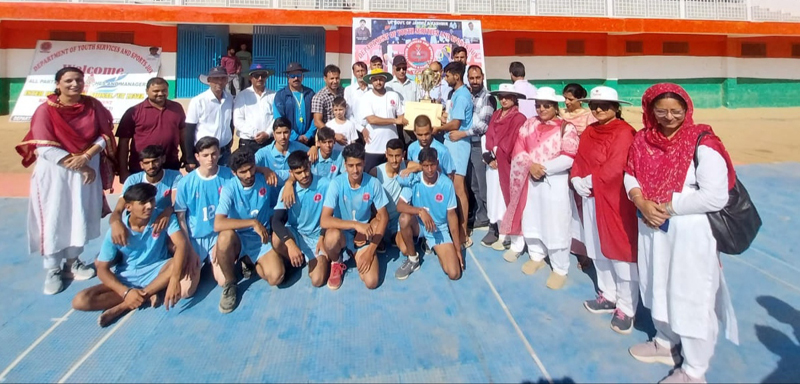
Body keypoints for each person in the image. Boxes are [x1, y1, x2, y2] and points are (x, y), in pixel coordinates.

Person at [625, 83, 738, 384]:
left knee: (690, 295)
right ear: (650, 110)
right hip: (652, 228)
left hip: (689, 234)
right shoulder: (642, 140)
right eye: (660, 111)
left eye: (676, 111)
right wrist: (639, 199)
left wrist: (668, 205)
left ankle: (694, 371)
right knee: (656, 285)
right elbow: (630, 174)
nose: (668, 117)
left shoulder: (703, 142)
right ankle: (664, 341)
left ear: (687, 110)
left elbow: (716, 197)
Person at [16, 66, 116, 295]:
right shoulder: (45, 111)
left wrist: (87, 157)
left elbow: (105, 135)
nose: (75, 84)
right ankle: (52, 268)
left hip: (86, 169)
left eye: (79, 80)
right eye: (69, 80)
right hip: (56, 173)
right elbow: (43, 147)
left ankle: (73, 262)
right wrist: (79, 167)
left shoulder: (93, 106)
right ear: (58, 84)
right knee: (55, 216)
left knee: (79, 214)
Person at [71, 183, 197, 327]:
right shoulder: (117, 231)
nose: (149, 206)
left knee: (178, 261)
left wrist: (174, 279)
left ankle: (123, 307)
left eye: (151, 200)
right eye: (143, 203)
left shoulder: (162, 218)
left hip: (157, 271)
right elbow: (102, 269)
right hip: (127, 277)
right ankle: (147, 294)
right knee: (80, 300)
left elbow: (181, 244)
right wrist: (126, 292)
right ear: (129, 207)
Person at [570, 86, 639, 335]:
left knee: (619, 251)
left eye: (605, 105)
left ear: (616, 108)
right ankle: (607, 294)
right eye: (594, 105)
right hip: (590, 198)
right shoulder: (590, 130)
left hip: (613, 200)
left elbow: (618, 165)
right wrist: (576, 177)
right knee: (597, 247)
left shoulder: (624, 132)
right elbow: (579, 157)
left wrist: (589, 180)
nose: (598, 109)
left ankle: (627, 307)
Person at [500, 87, 579, 290]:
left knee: (556, 223)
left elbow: (569, 156)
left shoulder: (566, 128)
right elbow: (519, 148)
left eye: (546, 105)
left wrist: (543, 169)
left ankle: (560, 268)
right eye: (538, 105)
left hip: (554, 182)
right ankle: (536, 255)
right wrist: (531, 166)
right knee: (532, 218)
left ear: (555, 107)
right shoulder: (529, 124)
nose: (541, 109)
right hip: (531, 181)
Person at [213, 148, 282, 313]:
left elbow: (291, 176)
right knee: (224, 237)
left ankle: (251, 262)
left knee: (276, 277)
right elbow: (218, 223)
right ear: (234, 172)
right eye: (242, 172)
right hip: (240, 237)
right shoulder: (229, 189)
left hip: (262, 237)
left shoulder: (264, 177)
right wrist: (252, 223)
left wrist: (267, 172)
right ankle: (231, 284)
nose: (249, 174)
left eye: (251, 168)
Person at [320, 143, 390, 290]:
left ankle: (357, 252)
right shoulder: (336, 183)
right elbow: (325, 220)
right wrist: (355, 225)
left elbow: (384, 217)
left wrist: (370, 251)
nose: (355, 170)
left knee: (371, 282)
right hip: (343, 233)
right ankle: (336, 260)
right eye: (351, 165)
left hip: (363, 235)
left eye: (358, 165)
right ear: (345, 165)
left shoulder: (373, 183)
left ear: (364, 163)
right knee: (331, 237)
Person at [394, 147, 464, 281]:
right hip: (418, 225)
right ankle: (413, 260)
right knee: (404, 221)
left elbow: (452, 217)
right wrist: (420, 211)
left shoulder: (446, 184)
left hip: (438, 229)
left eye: (432, 165)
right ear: (420, 166)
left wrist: (457, 249)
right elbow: (400, 206)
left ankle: (430, 244)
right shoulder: (414, 180)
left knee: (454, 273)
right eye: (425, 165)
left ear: (437, 163)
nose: (430, 169)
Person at [174, 137, 235, 285]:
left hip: (218, 235)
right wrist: (188, 249)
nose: (210, 159)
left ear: (219, 153)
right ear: (197, 157)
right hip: (195, 239)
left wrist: (220, 242)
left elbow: (234, 211)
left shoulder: (228, 176)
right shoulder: (186, 183)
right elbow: (181, 218)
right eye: (205, 155)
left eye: (214, 154)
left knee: (224, 281)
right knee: (186, 291)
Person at [270, 151, 334, 287]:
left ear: (310, 165)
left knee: (317, 280)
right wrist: (290, 245)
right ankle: (294, 260)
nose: (304, 175)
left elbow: (333, 216)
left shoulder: (326, 185)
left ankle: (316, 259)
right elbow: (276, 221)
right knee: (276, 239)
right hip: (296, 234)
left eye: (305, 170)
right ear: (291, 173)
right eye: (298, 173)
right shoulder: (287, 190)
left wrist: (323, 236)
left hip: (317, 236)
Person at [109, 145, 183, 248]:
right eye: (147, 163)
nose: (151, 166)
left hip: (164, 221)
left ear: (163, 159)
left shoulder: (175, 176)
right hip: (141, 221)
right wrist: (115, 223)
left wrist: (167, 212)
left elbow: (178, 204)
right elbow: (118, 209)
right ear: (141, 165)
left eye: (155, 161)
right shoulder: (133, 180)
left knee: (176, 247)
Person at [481, 84, 527, 249]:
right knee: (494, 196)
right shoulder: (496, 114)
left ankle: (510, 233)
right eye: (501, 96)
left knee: (506, 196)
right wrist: (488, 155)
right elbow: (489, 135)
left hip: (507, 163)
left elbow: (513, 140)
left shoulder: (519, 118)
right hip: (493, 164)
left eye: (508, 96)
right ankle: (499, 230)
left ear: (514, 98)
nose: (504, 99)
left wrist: (497, 153)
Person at [116, 77, 185, 182]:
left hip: (170, 164)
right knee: (141, 198)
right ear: (147, 91)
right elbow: (123, 143)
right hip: (142, 167)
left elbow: (183, 134)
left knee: (170, 197)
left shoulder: (177, 108)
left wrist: (186, 156)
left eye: (164, 90)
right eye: (156, 91)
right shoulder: (134, 112)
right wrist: (123, 170)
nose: (160, 93)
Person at [561, 83, 597, 271]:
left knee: (582, 208)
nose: (566, 102)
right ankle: (570, 243)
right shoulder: (561, 114)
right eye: (565, 98)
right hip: (562, 165)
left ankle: (586, 249)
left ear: (580, 99)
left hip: (580, 165)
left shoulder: (588, 117)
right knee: (566, 206)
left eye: (571, 99)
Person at [437, 61, 472, 247]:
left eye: (448, 75)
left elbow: (456, 124)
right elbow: (452, 118)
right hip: (451, 144)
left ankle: (463, 231)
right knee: (455, 186)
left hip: (458, 145)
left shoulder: (462, 96)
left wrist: (438, 127)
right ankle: (456, 227)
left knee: (459, 188)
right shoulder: (455, 95)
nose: (446, 78)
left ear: (456, 76)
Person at [464, 65, 495, 230]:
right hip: (469, 144)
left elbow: (483, 126)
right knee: (474, 184)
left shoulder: (488, 97)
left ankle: (491, 219)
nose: (474, 81)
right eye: (471, 78)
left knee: (483, 185)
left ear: (482, 77)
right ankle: (481, 216)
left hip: (479, 145)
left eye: (477, 78)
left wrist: (462, 133)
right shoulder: (468, 96)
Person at [185, 66, 234, 170]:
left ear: (226, 81)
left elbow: (230, 122)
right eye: (216, 78)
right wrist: (189, 158)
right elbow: (189, 130)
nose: (219, 82)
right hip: (205, 152)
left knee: (224, 182)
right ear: (209, 80)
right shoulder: (198, 101)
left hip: (224, 151)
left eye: (223, 78)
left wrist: (230, 140)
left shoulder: (230, 98)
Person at [359, 68, 407, 173]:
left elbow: (401, 117)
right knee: (370, 175)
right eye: (375, 80)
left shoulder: (393, 95)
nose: (378, 82)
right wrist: (394, 120)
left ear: (385, 80)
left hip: (392, 146)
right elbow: (371, 119)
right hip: (373, 146)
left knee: (394, 175)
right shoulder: (366, 97)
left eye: (381, 79)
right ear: (371, 81)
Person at [369, 138, 406, 255]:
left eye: (397, 156)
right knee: (374, 227)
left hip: (397, 220)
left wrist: (411, 168)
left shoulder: (407, 166)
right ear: (386, 154)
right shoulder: (375, 172)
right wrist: (376, 215)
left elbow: (422, 166)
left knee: (405, 250)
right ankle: (380, 240)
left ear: (403, 155)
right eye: (391, 155)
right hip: (380, 218)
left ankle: (394, 236)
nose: (394, 160)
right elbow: (369, 200)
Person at [234, 64, 277, 152]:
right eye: (256, 76)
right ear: (250, 78)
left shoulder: (274, 95)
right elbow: (238, 120)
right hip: (248, 142)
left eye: (263, 75)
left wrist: (268, 133)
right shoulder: (242, 95)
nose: (260, 78)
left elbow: (277, 117)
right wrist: (255, 133)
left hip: (269, 141)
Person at [274, 62, 316, 144]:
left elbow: (316, 116)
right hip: (289, 141)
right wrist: (295, 136)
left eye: (299, 75)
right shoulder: (281, 95)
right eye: (292, 76)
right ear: (287, 78)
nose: (296, 78)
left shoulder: (310, 93)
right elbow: (279, 119)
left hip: (309, 141)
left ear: (303, 77)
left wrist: (308, 134)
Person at [312, 65, 344, 131]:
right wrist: (333, 135)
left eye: (337, 78)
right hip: (327, 137)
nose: (335, 81)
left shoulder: (344, 92)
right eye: (332, 78)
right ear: (325, 79)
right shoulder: (319, 97)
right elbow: (317, 122)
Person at [344, 62, 370, 132]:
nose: (361, 74)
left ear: (366, 72)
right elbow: (348, 114)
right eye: (358, 71)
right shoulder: (349, 90)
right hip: (355, 130)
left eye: (362, 70)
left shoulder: (372, 89)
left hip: (372, 129)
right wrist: (361, 129)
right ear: (354, 73)